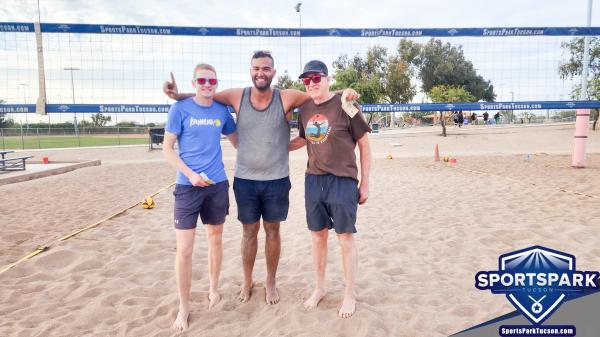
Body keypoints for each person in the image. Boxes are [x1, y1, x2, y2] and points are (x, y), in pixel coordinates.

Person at [163, 51, 358, 306]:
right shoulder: (237, 95)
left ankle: (270, 281)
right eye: (256, 68)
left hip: (277, 178)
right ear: (250, 71)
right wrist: (177, 95)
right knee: (249, 232)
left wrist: (348, 91)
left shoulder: (286, 96)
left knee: (273, 231)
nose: (261, 73)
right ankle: (247, 280)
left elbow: (321, 93)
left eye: (266, 68)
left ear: (273, 72)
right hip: (246, 179)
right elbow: (204, 95)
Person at [289, 60, 372, 318]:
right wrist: (277, 146)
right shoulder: (304, 109)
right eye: (307, 80)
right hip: (314, 180)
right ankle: (320, 288)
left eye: (316, 78)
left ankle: (349, 293)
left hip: (343, 180)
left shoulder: (345, 104)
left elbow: (365, 145)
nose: (312, 83)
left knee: (345, 238)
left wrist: (365, 182)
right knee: (317, 237)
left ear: (327, 79)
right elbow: (304, 138)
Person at [162, 63, 237, 332]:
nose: (208, 84)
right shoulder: (179, 109)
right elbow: (167, 149)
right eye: (202, 80)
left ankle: (213, 289)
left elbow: (238, 140)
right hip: (187, 186)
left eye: (212, 81)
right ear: (194, 83)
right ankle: (183, 307)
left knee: (215, 240)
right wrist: (190, 174)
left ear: (217, 83)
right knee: (184, 250)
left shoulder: (221, 110)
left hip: (216, 184)